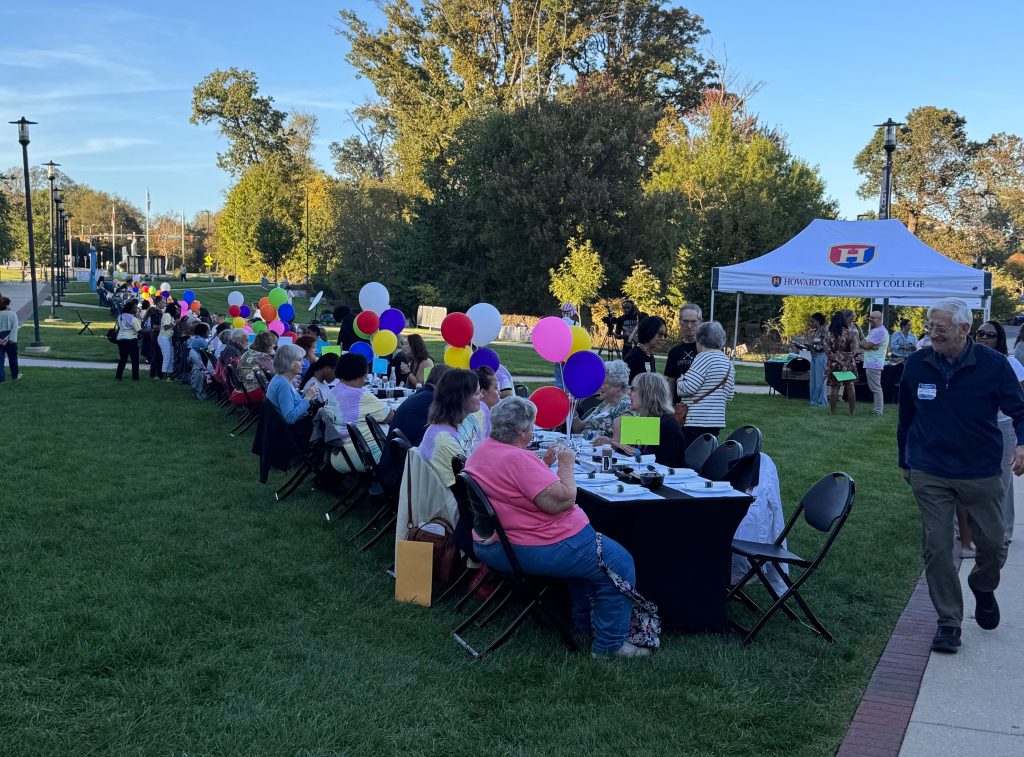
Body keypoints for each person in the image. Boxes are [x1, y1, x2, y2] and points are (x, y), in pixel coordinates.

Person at [464, 397, 649, 657]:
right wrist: (566, 464)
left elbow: (514, 485)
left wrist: (543, 465)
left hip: (493, 542)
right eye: (531, 426)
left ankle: (583, 622)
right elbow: (562, 501)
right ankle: (610, 645)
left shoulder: (484, 450)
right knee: (618, 562)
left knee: (589, 563)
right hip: (532, 546)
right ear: (523, 432)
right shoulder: (517, 459)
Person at [898, 298, 1024, 654]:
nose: (932, 334)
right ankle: (949, 622)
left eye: (940, 328)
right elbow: (906, 417)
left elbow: (1020, 412)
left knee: (993, 545)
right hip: (930, 468)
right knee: (937, 547)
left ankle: (983, 586)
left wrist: (1022, 444)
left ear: (964, 329)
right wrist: (905, 461)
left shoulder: (994, 365)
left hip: (979, 469)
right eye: (930, 327)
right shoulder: (917, 364)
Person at [974, 320, 1024, 547]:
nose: (984, 338)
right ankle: (970, 530)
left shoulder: (1009, 362)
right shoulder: (970, 360)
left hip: (1004, 425)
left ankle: (1003, 531)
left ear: (999, 339)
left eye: (990, 335)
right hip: (976, 426)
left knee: (1002, 479)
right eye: (980, 333)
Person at [594, 372, 685, 467]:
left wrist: (637, 454)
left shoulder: (667, 425)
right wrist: (610, 443)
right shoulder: (646, 421)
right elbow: (626, 452)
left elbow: (667, 466)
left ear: (648, 393)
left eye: (633, 389)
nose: (628, 393)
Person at [328, 353, 395, 473]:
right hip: (363, 454)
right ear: (361, 375)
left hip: (339, 451)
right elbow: (389, 417)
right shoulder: (361, 395)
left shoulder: (333, 391)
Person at [673, 321, 736, 447]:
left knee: (690, 453)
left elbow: (687, 388)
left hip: (695, 420)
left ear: (700, 340)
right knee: (705, 453)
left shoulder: (703, 357)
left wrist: (680, 380)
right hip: (716, 422)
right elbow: (729, 395)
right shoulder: (728, 363)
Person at [420, 369, 482, 488]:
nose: (481, 396)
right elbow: (463, 487)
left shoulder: (467, 420)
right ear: (461, 398)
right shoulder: (444, 440)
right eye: (476, 393)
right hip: (453, 495)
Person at [571, 359, 634, 440]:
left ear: (618, 385)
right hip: (585, 446)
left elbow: (624, 442)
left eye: (603, 383)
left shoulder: (627, 406)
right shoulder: (605, 403)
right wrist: (572, 411)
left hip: (602, 448)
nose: (599, 386)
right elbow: (579, 429)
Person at [664, 304, 702, 405]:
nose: (689, 326)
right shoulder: (674, 352)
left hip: (701, 406)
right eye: (685, 321)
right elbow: (671, 382)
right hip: (679, 406)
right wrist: (669, 406)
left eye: (693, 322)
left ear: (700, 322)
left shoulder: (705, 350)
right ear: (680, 321)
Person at [266, 344, 311, 424]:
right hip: (296, 428)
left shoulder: (282, 378)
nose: (303, 363)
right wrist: (307, 398)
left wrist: (305, 395)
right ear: (287, 362)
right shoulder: (283, 384)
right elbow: (289, 418)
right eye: (299, 360)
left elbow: (292, 401)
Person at [825, 311, 857, 417]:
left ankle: (832, 412)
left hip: (835, 365)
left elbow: (828, 352)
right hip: (849, 364)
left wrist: (839, 361)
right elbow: (853, 351)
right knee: (850, 387)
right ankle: (851, 413)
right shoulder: (850, 333)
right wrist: (845, 364)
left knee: (835, 387)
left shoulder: (829, 334)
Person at [233, 331, 276, 404]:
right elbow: (275, 375)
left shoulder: (248, 352)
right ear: (268, 345)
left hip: (240, 390)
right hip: (253, 392)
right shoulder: (264, 357)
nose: (274, 346)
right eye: (273, 344)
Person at [861, 310, 890, 416]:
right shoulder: (875, 330)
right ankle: (877, 409)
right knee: (875, 387)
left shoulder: (880, 331)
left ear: (880, 319)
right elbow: (863, 342)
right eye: (870, 317)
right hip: (872, 362)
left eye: (873, 318)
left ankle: (878, 410)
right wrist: (869, 345)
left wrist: (868, 345)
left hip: (874, 363)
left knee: (875, 388)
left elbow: (865, 345)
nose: (870, 319)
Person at [623, 316, 666, 382]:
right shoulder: (634, 357)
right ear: (649, 332)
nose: (663, 338)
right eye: (660, 334)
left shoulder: (650, 356)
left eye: (664, 335)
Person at [115, 300, 143, 381]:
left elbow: (119, 327)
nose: (136, 309)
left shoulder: (120, 316)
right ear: (130, 309)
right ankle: (135, 377)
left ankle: (118, 376)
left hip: (120, 339)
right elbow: (139, 330)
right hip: (131, 339)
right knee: (135, 359)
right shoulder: (132, 318)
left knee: (123, 359)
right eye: (135, 308)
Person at [806, 312, 829, 408]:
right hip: (814, 356)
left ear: (818, 321)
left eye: (813, 321)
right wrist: (805, 346)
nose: (811, 323)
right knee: (813, 381)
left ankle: (822, 403)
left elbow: (825, 346)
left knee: (820, 381)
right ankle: (814, 401)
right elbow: (814, 344)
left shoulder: (824, 331)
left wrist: (813, 346)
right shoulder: (816, 331)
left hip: (821, 357)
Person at [0, 296, 20, 383]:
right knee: (13, 358)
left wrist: (1, 340)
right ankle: (15, 376)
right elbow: (15, 328)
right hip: (10, 338)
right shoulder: (13, 314)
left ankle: (1, 379)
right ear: (7, 305)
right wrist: (8, 339)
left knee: (0, 359)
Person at [159, 302, 179, 379]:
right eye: (177, 310)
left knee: (171, 357)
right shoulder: (167, 315)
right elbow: (166, 327)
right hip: (164, 337)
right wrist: (175, 322)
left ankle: (170, 376)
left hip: (168, 338)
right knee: (167, 357)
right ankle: (164, 377)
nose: (178, 311)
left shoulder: (171, 316)